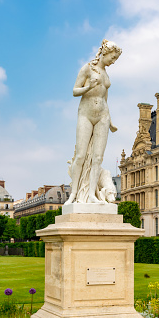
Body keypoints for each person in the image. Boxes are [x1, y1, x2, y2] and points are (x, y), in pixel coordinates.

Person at [65, 39, 122, 204]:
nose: (113, 61)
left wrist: (110, 120)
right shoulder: (88, 68)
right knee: (81, 155)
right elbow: (75, 91)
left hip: (102, 116)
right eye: (112, 57)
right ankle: (74, 194)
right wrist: (88, 87)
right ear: (105, 53)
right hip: (86, 114)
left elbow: (105, 97)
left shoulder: (106, 74)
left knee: (98, 158)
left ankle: (91, 194)